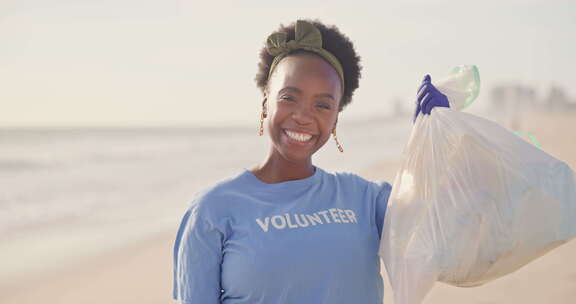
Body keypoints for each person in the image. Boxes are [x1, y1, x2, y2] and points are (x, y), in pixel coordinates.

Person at [172, 18, 450, 304]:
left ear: (335, 118)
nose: (303, 116)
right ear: (266, 101)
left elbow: (446, 228)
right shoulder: (213, 210)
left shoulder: (365, 199)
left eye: (322, 105)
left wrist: (434, 140)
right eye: (289, 98)